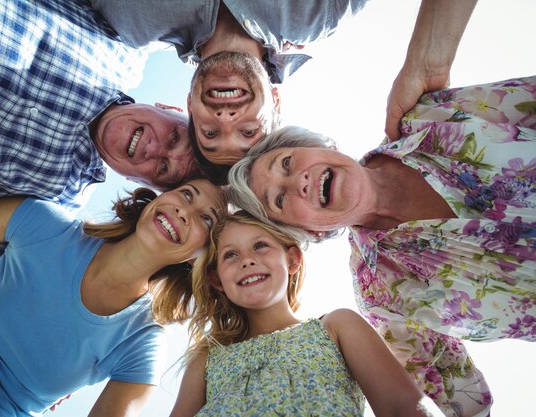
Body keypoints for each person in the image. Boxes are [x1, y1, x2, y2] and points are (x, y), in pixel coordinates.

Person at [226, 75, 536, 416]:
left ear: (316, 146)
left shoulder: (428, 119)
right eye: (280, 199)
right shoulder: (380, 295)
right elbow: (459, 394)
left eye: (285, 163)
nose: (297, 180)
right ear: (309, 232)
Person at [0, 0, 202, 284]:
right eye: (175, 136)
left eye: (163, 168)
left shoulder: (54, 203)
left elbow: (3, 290)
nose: (154, 148)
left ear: (142, 181)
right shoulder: (122, 43)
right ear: (171, 108)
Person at [0, 179, 226, 417]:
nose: (185, 211)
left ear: (199, 257)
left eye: (206, 220)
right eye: (186, 194)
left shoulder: (143, 343)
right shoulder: (44, 224)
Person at [93, 0, 476, 180]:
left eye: (210, 133)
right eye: (248, 131)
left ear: (189, 105)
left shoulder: (130, 20)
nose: (226, 119)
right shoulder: (315, 13)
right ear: (275, 99)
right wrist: (427, 61)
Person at [169, 210, 444, 417]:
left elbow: (402, 405)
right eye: (230, 255)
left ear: (292, 260)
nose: (247, 260)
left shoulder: (336, 326)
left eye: (260, 246)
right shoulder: (208, 357)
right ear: (217, 281)